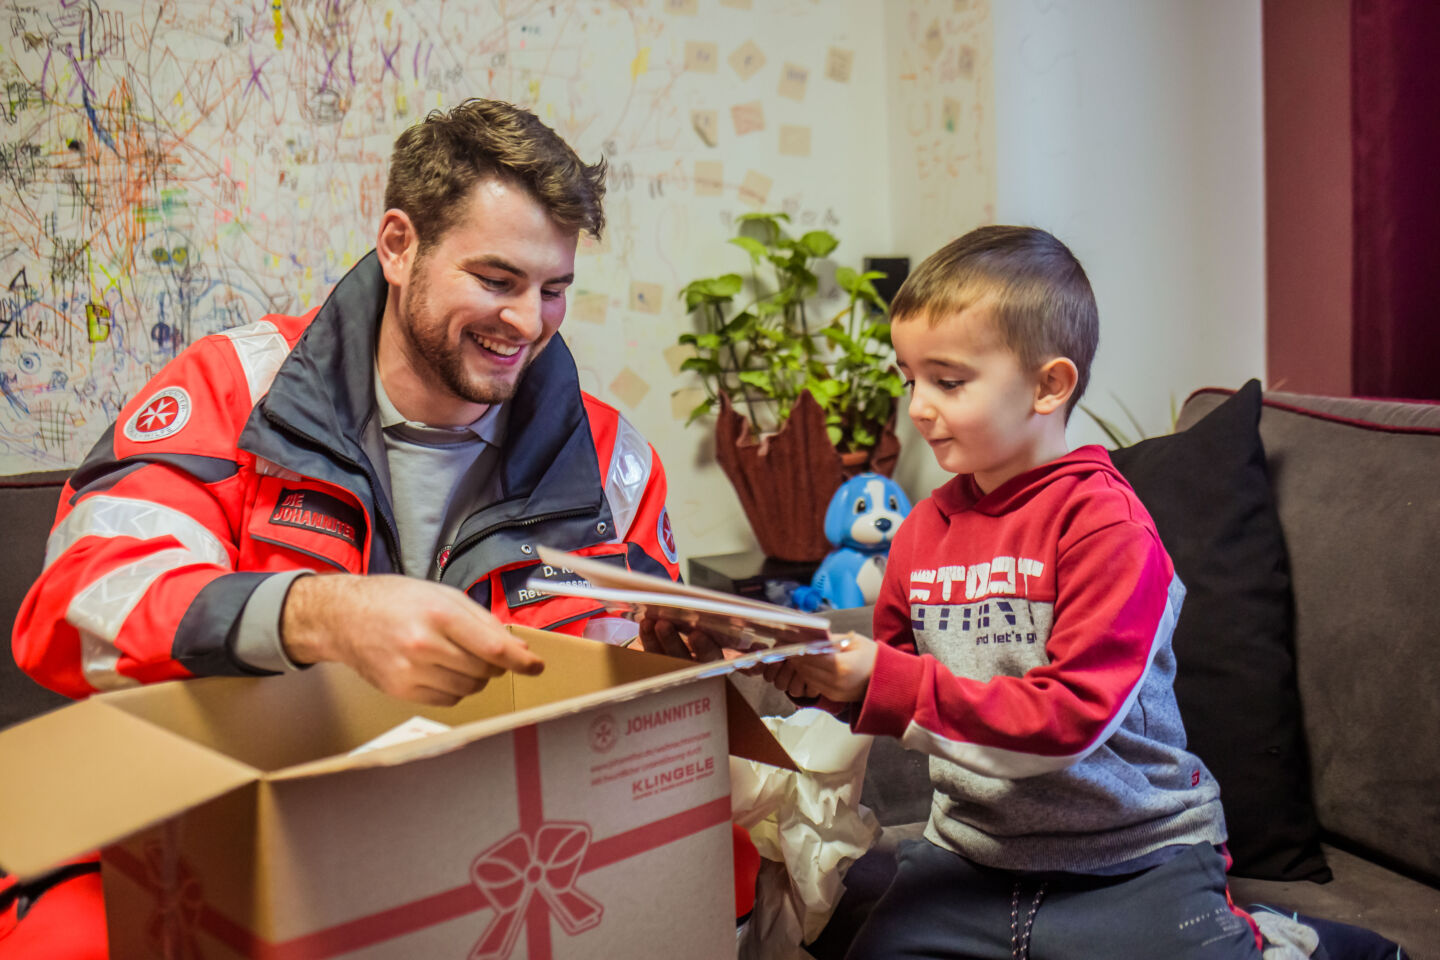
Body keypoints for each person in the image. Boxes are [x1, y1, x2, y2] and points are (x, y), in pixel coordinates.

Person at [6, 98, 686, 956]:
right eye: (496, 280)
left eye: (554, 290)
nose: (529, 322)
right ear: (399, 246)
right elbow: (77, 606)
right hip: (243, 837)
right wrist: (320, 615)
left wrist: (695, 659)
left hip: (493, 859)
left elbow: (635, 705)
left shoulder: (614, 458)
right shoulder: (236, 390)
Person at [765, 226, 1265, 959]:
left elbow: (1069, 722)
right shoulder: (921, 532)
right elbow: (902, 691)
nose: (919, 409)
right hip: (971, 857)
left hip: (1134, 858)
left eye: (949, 381)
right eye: (911, 379)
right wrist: (813, 676)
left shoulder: (1106, 527)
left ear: (1047, 385)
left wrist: (880, 676)